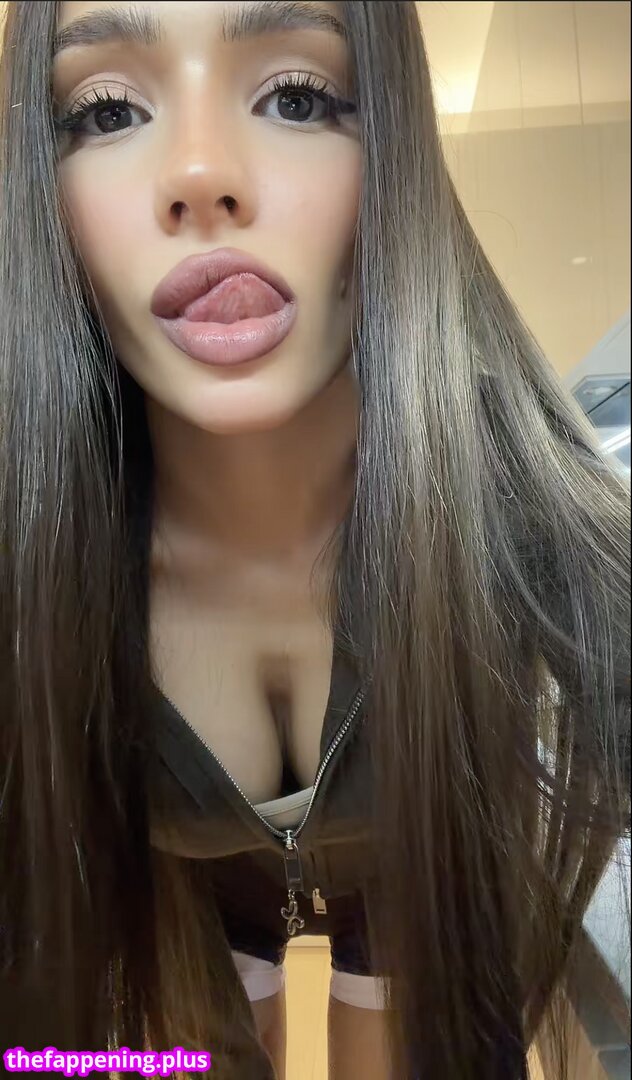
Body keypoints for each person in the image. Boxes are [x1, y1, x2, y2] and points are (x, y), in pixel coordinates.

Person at [0, 2, 629, 1078]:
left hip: (411, 890)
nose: (201, 173)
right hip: (198, 916)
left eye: (296, 97)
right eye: (106, 112)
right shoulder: (36, 569)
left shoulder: (526, 522)